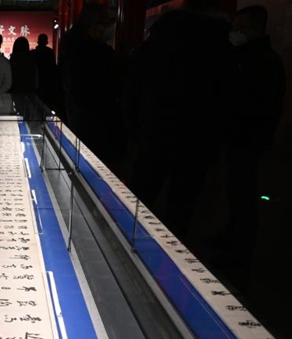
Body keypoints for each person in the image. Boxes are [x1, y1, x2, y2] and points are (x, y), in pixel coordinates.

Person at [125, 0, 233, 241]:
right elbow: (226, 97)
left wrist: (134, 128)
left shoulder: (160, 38)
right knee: (182, 205)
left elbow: (134, 85)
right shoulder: (220, 44)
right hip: (198, 137)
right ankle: (172, 261)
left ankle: (121, 245)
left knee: (140, 195)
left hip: (155, 130)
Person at [214, 5, 285, 288]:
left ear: (255, 29)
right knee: (235, 191)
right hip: (239, 136)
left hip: (247, 137)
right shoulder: (248, 56)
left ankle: (239, 252)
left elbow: (257, 104)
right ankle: (232, 238)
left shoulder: (263, 61)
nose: (236, 32)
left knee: (243, 193)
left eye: (241, 28)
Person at [59, 3, 125, 175]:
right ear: (95, 26)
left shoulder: (71, 46)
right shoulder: (96, 53)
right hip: (98, 125)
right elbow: (109, 87)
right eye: (105, 25)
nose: (108, 29)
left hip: (78, 121)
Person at [32, 33, 59, 110]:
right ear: (46, 42)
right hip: (48, 83)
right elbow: (53, 68)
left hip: (36, 83)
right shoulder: (50, 52)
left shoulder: (33, 53)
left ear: (38, 41)